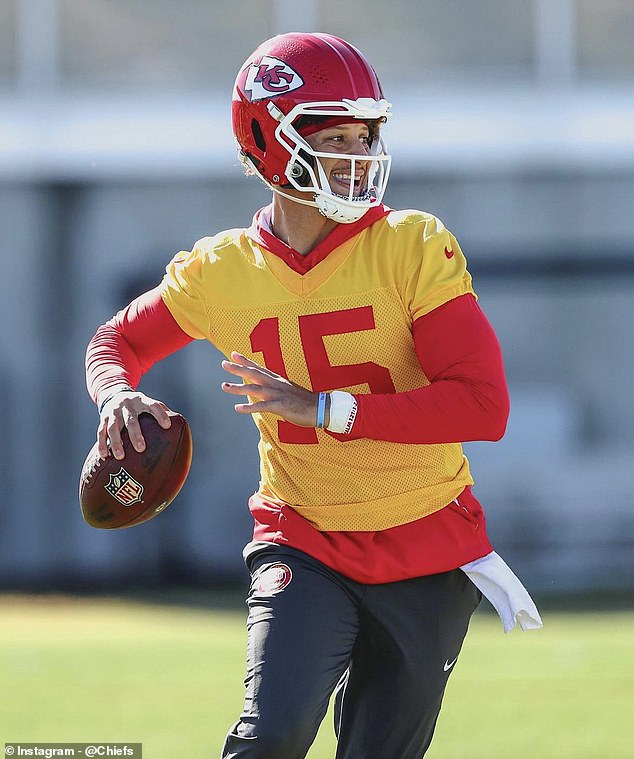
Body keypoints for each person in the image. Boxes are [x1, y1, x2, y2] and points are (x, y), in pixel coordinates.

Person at [85, 32, 542, 759]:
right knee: (272, 735)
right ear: (267, 140)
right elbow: (116, 342)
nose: (358, 156)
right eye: (332, 136)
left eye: (364, 136)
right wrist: (115, 396)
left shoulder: (413, 246)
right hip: (304, 537)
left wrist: (325, 407)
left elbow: (484, 407)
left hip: (427, 544)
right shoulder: (222, 269)